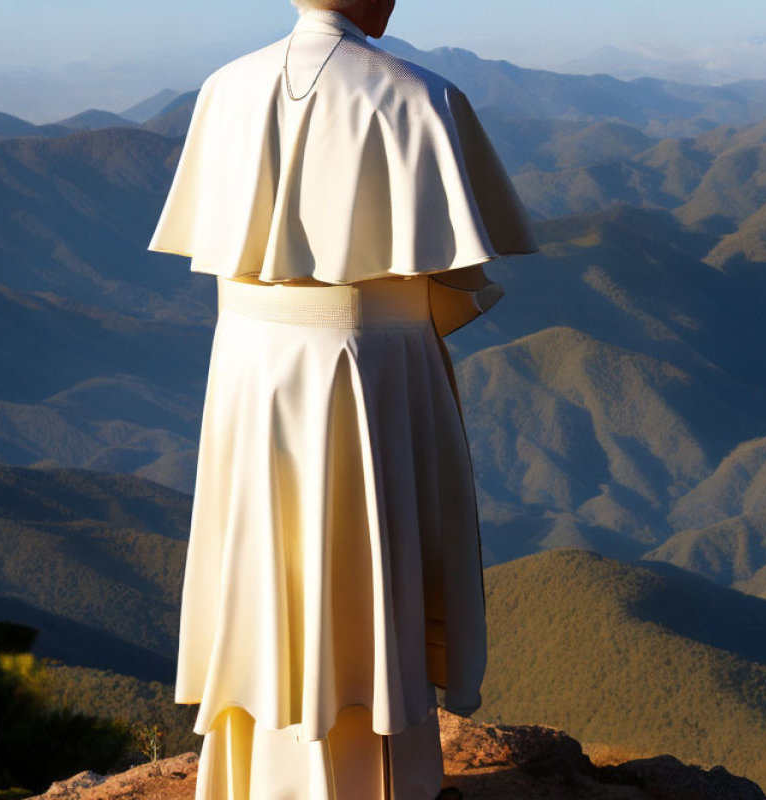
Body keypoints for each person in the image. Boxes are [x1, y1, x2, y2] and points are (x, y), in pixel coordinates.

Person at [147, 0, 538, 796]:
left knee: (263, 556)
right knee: (369, 560)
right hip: (369, 368)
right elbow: (457, 279)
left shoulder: (223, 89)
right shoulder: (420, 96)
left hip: (250, 367)